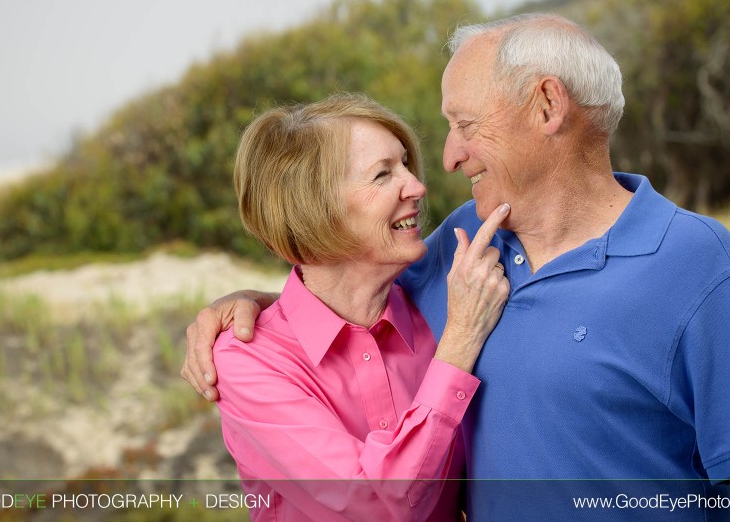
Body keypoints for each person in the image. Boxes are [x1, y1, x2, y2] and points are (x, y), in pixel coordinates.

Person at [182, 14, 730, 521]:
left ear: (546, 105)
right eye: (386, 171)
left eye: (465, 125)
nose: (445, 161)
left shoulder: (699, 265)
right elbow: (335, 288)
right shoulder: (457, 250)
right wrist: (250, 304)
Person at [208, 93, 510, 521]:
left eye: (405, 164)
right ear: (314, 211)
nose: (418, 186)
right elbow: (376, 505)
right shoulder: (247, 361)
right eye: (383, 174)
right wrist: (460, 342)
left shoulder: (440, 297)